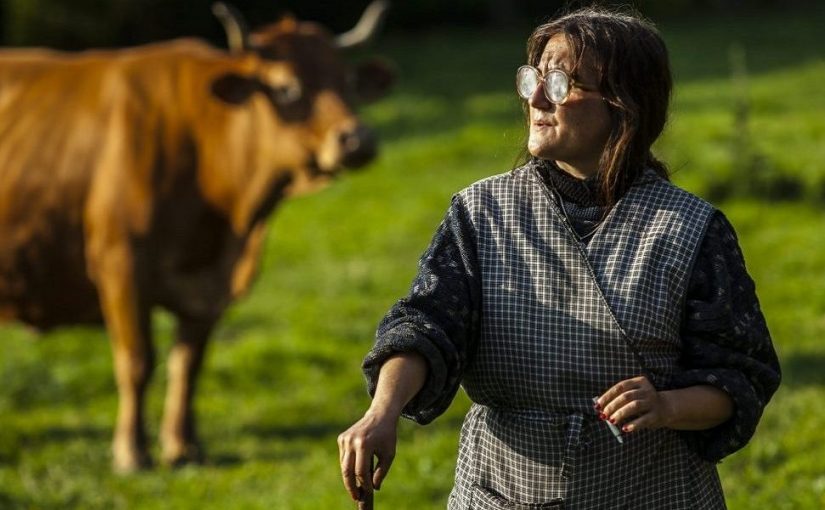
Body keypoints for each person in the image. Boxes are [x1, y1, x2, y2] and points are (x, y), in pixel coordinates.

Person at [337, 6, 781, 509]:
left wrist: (665, 404)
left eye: (559, 83)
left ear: (624, 105)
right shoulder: (481, 213)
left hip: (653, 491)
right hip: (501, 491)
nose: (536, 100)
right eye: (534, 79)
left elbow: (740, 377)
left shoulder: (687, 228)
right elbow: (426, 325)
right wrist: (382, 412)